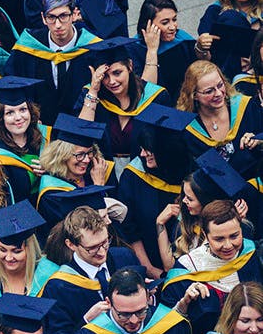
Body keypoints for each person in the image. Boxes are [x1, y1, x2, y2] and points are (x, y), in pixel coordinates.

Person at [161, 198, 263, 334]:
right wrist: (184, 303)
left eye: (234, 236)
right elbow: (166, 326)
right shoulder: (186, 269)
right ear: (205, 234)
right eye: (219, 239)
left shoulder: (251, 254)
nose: (228, 245)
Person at [40, 205, 139, 334]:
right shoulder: (58, 287)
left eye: (105, 242)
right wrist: (86, 321)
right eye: (92, 248)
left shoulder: (124, 257)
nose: (101, 252)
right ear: (71, 244)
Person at [116, 104, 193, 277]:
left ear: (166, 151)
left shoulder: (191, 171)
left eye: (148, 150)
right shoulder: (133, 175)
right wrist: (149, 269)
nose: (142, 154)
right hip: (149, 263)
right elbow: (129, 228)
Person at [9, 0, 103, 123]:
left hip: (81, 127)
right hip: (39, 130)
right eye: (51, 17)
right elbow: (14, 88)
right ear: (43, 18)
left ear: (74, 14)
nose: (58, 25)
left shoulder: (93, 48)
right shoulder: (27, 48)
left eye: (63, 16)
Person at [77, 39, 169, 162]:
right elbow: (81, 135)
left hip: (143, 169)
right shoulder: (91, 96)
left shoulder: (155, 97)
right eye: (105, 76)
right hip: (103, 169)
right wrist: (93, 90)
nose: (112, 81)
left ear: (130, 66)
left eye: (117, 73)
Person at [178, 61, 263, 177]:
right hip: (208, 192)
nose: (218, 93)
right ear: (195, 95)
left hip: (252, 185)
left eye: (220, 85)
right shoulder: (186, 126)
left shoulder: (248, 108)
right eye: (209, 91)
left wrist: (259, 141)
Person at [0, 202, 59, 299]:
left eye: (16, 251)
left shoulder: (50, 274)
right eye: (3, 250)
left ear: (30, 250)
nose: (8, 258)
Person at [136, 0, 196, 101]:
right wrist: (152, 50)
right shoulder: (135, 49)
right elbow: (146, 92)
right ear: (148, 25)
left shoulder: (182, 39)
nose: (173, 27)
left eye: (174, 19)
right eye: (165, 23)